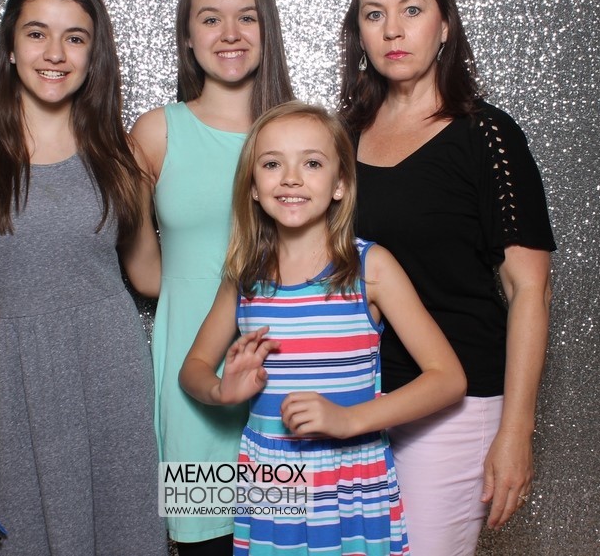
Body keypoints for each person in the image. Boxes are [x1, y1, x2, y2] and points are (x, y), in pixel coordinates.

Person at [0, 0, 294, 555]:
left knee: (291, 532)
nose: (229, 33)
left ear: (266, 28)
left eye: (246, 17)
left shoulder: (304, 132)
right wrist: (9, 287)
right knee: (204, 542)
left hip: (291, 363)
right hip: (192, 378)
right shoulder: (153, 134)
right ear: (187, 36)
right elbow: (136, 266)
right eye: (210, 19)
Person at [0, 0, 165, 555]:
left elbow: (149, 276)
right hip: (20, 390)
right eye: (37, 33)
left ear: (92, 55)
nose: (55, 53)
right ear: (11, 46)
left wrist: (256, 277)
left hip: (114, 381)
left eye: (74, 37)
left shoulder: (121, 154)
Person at [340, 0, 556, 555]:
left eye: (412, 9)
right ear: (359, 31)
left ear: (445, 24)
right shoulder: (341, 137)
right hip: (358, 400)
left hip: (458, 409)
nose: (392, 29)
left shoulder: (487, 136)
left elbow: (530, 289)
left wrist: (516, 431)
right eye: (374, 13)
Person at [180, 102, 466, 556]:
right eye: (272, 164)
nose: (291, 178)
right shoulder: (244, 277)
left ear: (340, 184)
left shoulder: (371, 268)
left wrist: (350, 419)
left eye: (311, 163)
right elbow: (193, 368)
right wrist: (221, 391)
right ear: (252, 186)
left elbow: (448, 379)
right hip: (273, 484)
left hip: (350, 483)